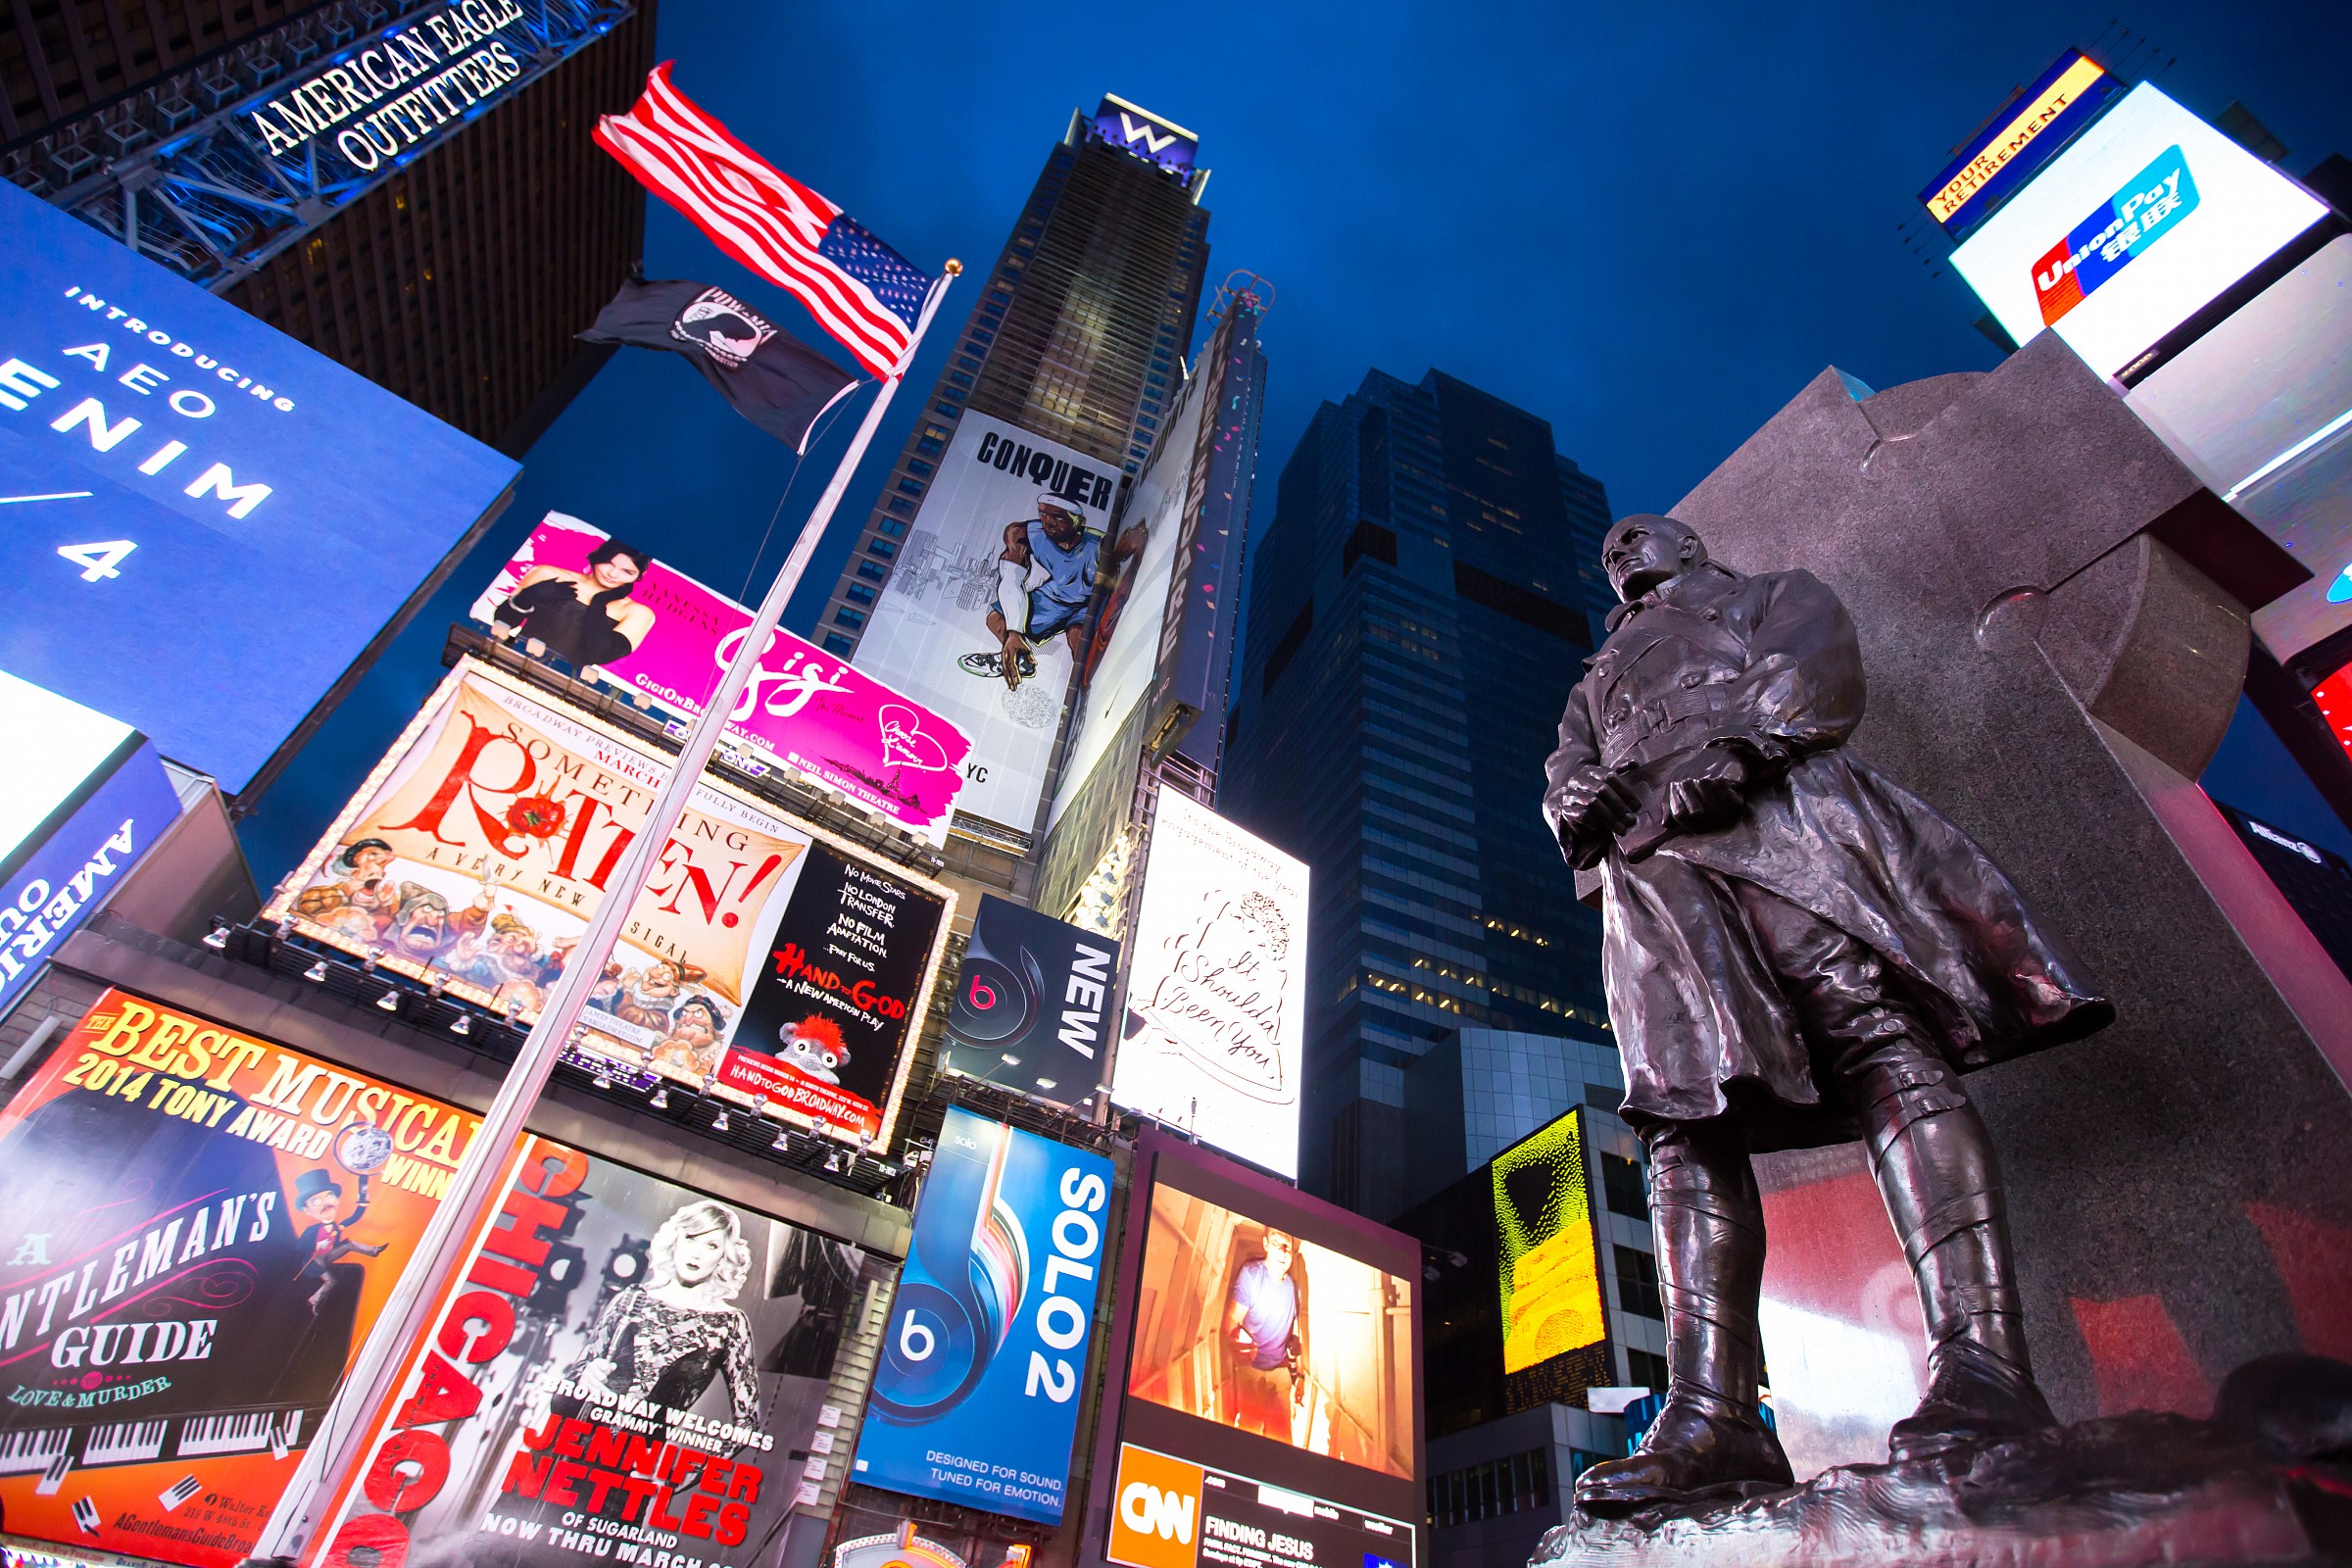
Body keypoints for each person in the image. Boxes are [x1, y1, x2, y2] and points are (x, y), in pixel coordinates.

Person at [1544, 514, 2112, 1513]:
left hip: (1777, 826)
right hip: (1657, 888)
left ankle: (1985, 1363)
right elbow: (1566, 770)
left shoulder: (1767, 592)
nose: (1620, 553)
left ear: (1690, 543)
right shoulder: (1595, 678)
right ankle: (1711, 1412)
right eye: (1607, 552)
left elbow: (1815, 667)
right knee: (1679, 1121)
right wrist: (1572, 801)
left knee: (1876, 1034)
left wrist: (1739, 741)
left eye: (1639, 537)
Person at [564, 1199, 760, 1426]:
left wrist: (693, 1463)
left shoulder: (730, 1324)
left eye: (711, 1245)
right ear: (675, 1241)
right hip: (576, 1447)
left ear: (723, 1256)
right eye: (691, 1238)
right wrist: (583, 1380)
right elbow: (560, 1400)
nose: (697, 1253)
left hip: (641, 1459)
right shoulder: (633, 1299)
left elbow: (748, 1423)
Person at [966, 496, 1144, 691]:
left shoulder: (1098, 542)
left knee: (1078, 641)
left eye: (1058, 517)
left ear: (1078, 522)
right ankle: (1020, 658)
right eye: (1043, 513)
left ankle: (1095, 692)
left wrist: (1134, 539)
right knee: (996, 619)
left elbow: (1123, 551)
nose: (1048, 521)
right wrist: (1014, 634)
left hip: (1089, 600)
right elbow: (1010, 581)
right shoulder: (1022, 533)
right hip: (1056, 596)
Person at [492, 538, 658, 673]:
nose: (612, 574)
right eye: (609, 563)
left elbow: (600, 655)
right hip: (507, 661)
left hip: (562, 686)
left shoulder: (637, 613)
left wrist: (599, 602)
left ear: (639, 576)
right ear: (598, 556)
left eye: (627, 572)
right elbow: (502, 620)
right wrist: (528, 597)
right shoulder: (548, 574)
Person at [1223, 1227, 1308, 1441]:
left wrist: (1299, 1376)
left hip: (1279, 1372)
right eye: (1276, 1242)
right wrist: (1235, 1343)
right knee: (1249, 1429)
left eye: (1287, 1246)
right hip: (1250, 1371)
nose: (1282, 1250)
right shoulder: (1251, 1276)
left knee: (1281, 1436)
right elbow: (1232, 1320)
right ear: (1265, 1245)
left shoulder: (1294, 1289)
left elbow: (1296, 1335)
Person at [292, 1168, 384, 1315]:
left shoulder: (337, 1227)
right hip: (314, 1263)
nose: (325, 1203)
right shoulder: (311, 1232)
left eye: (329, 1195)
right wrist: (317, 1248)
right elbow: (301, 1249)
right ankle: (314, 1301)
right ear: (307, 1210)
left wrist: (363, 1180)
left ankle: (374, 1251)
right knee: (331, 1282)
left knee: (349, 1245)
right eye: (316, 1201)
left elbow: (357, 1214)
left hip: (329, 1256)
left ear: (336, 1199)